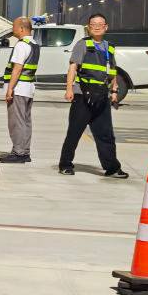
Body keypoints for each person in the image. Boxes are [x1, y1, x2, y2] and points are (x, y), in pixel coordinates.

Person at [59, 13, 128, 178]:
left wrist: (114, 90)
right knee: (74, 132)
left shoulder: (109, 47)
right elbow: (73, 67)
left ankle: (112, 167)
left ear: (106, 27)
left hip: (102, 96)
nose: (96, 27)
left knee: (106, 134)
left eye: (100, 24)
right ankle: (65, 164)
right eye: (93, 24)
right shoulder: (82, 44)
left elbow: (112, 71)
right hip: (83, 95)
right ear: (89, 28)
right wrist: (69, 89)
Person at [0, 16, 37, 164]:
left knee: (17, 122)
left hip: (19, 89)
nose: (12, 29)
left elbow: (17, 69)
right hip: (28, 88)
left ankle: (18, 153)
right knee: (25, 121)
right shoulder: (34, 44)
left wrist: (10, 89)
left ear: (21, 28)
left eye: (14, 26)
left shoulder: (21, 45)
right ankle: (25, 151)